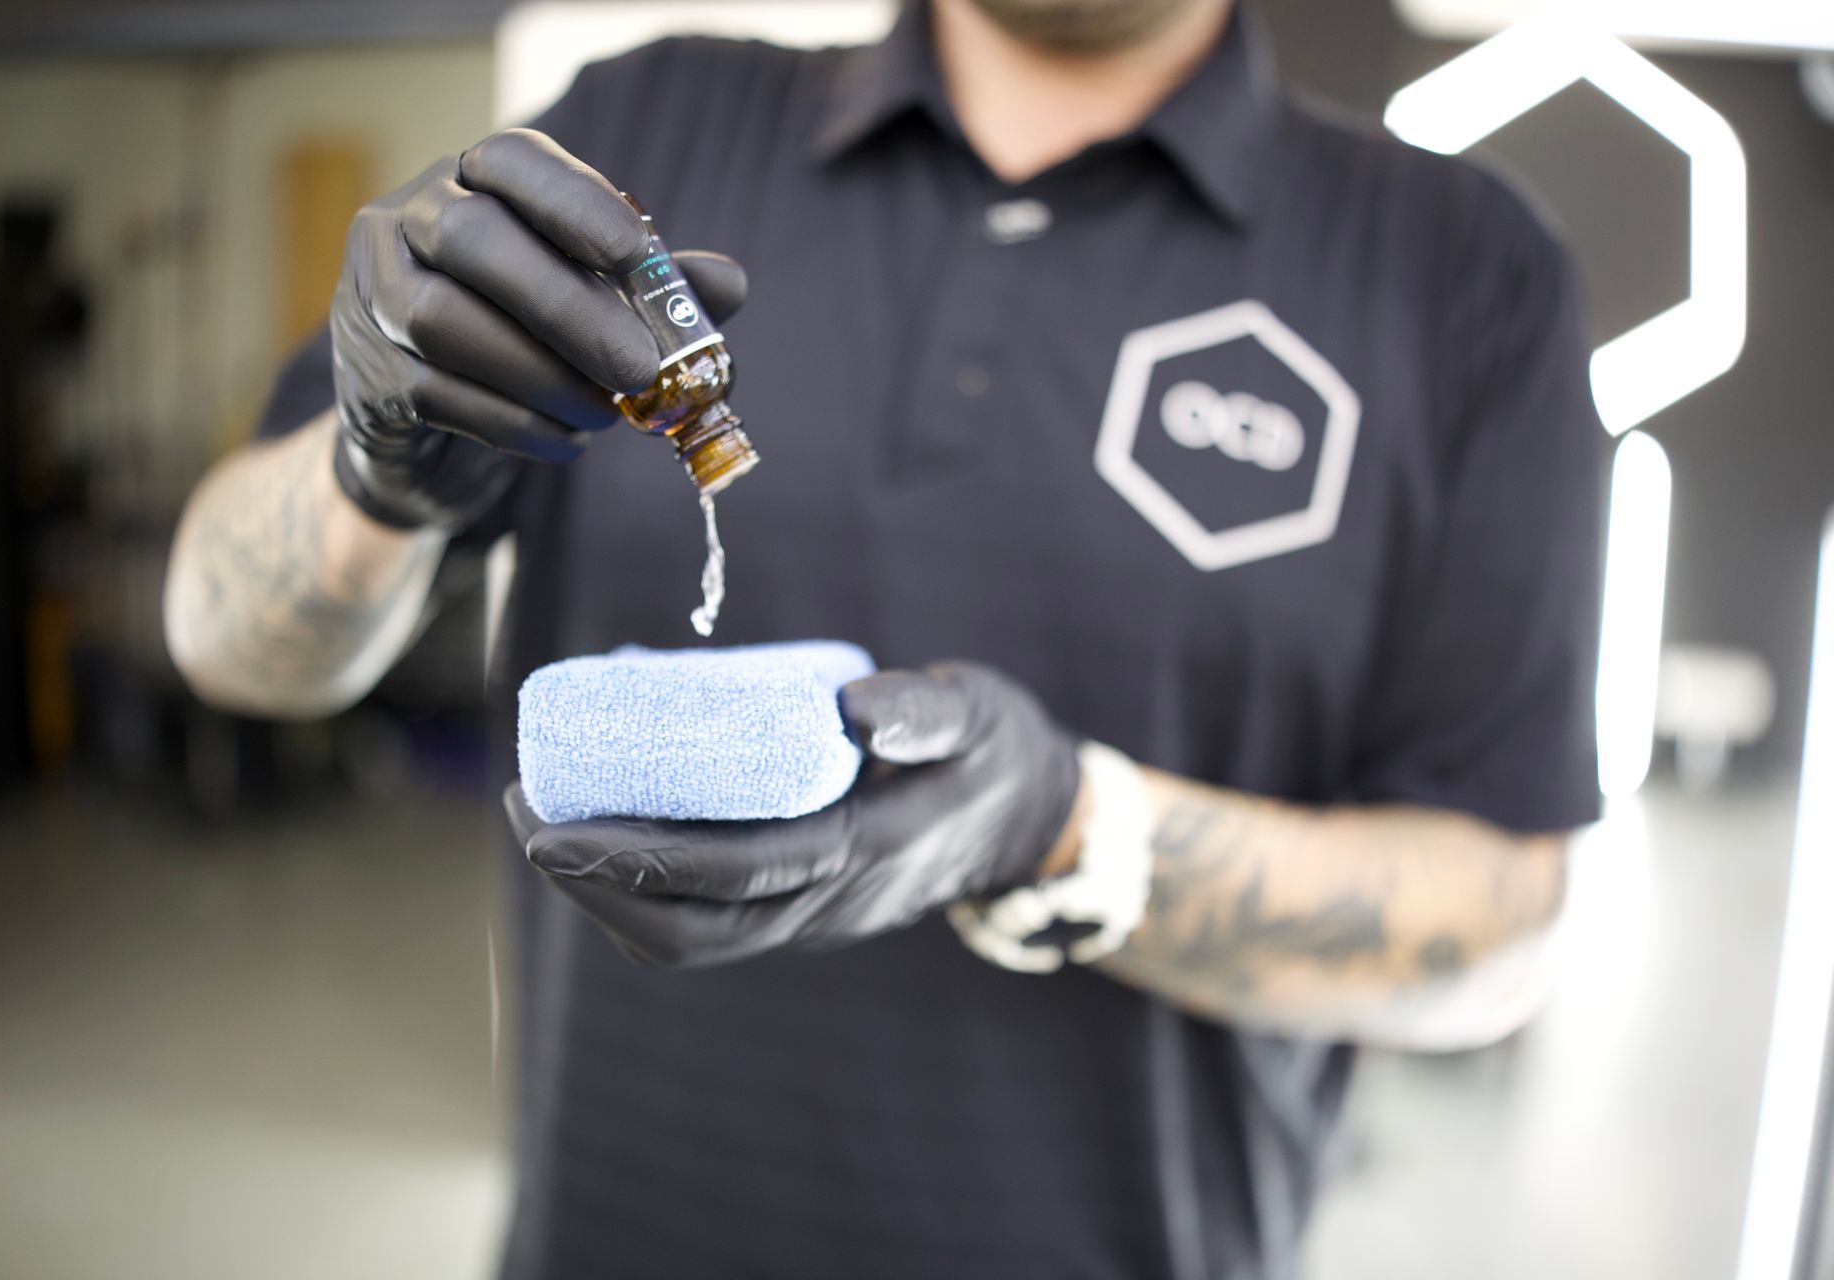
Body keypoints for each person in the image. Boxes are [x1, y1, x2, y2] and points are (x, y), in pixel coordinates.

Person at [163, 0, 1604, 1274]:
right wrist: (375, 472)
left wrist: (1069, 827)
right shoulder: (641, 131)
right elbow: (228, 645)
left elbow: (1496, 935)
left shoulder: (1460, 273)